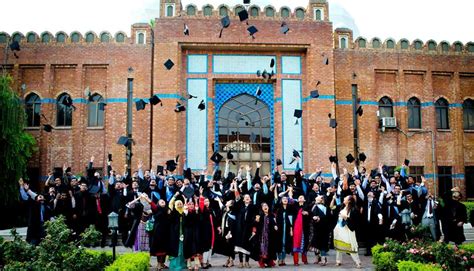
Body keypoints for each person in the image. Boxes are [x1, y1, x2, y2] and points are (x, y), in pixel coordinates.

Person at [333, 195, 362, 268]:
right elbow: (332, 207)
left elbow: (355, 221)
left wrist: (345, 217)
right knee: (338, 244)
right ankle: (338, 260)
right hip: (339, 228)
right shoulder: (342, 207)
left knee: (351, 246)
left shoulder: (353, 209)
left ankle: (358, 262)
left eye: (345, 198)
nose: (344, 199)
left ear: (349, 200)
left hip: (348, 229)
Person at [19, 179, 51, 245]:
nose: (41, 198)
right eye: (39, 197)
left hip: (43, 225)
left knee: (43, 242)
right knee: (33, 243)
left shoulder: (46, 206)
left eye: (42, 198)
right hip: (34, 226)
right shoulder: (33, 204)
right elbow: (25, 197)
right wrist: (22, 187)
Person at [233, 194, 256, 268]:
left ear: (250, 199)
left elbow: (256, 216)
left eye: (248, 197)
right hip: (240, 228)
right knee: (240, 245)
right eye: (245, 197)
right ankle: (240, 262)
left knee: (248, 245)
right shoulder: (240, 206)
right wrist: (238, 198)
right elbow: (234, 206)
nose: (247, 198)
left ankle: (247, 262)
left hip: (248, 228)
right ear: (243, 199)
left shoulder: (253, 207)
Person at [254, 202, 278, 268]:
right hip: (261, 236)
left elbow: (275, 223)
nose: (265, 206)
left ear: (268, 207)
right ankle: (261, 262)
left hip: (270, 235)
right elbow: (255, 224)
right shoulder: (259, 215)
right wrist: (256, 221)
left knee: (270, 249)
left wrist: (275, 226)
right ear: (262, 208)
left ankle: (269, 261)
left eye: (266, 205)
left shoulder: (272, 215)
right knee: (262, 249)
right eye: (263, 206)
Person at [167, 193, 187, 270]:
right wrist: (175, 196)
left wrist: (185, 200)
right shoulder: (174, 212)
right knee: (176, 250)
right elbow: (170, 203)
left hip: (183, 233)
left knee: (182, 250)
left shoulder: (184, 212)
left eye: (180, 204)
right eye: (177, 204)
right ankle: (175, 266)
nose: (179, 205)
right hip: (175, 234)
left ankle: (181, 264)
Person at [309, 195, 331, 265]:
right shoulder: (312, 205)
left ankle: (323, 259)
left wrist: (319, 218)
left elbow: (328, 218)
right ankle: (317, 257)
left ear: (321, 200)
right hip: (315, 227)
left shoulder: (325, 207)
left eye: (319, 196)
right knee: (315, 242)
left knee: (323, 243)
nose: (317, 196)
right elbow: (309, 213)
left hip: (323, 228)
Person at [149, 199, 170, 270]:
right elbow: (152, 203)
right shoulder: (156, 209)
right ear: (158, 203)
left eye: (163, 201)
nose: (163, 201)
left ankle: (162, 263)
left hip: (166, 230)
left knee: (165, 247)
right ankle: (158, 263)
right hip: (158, 231)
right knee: (159, 247)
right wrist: (146, 198)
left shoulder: (168, 209)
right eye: (161, 201)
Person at [275, 196, 293, 266]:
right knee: (280, 243)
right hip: (280, 228)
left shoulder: (290, 208)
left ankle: (283, 259)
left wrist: (291, 229)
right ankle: (279, 259)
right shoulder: (278, 207)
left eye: (286, 199)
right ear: (281, 200)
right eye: (283, 199)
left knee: (285, 243)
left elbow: (291, 219)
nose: (285, 200)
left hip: (287, 228)